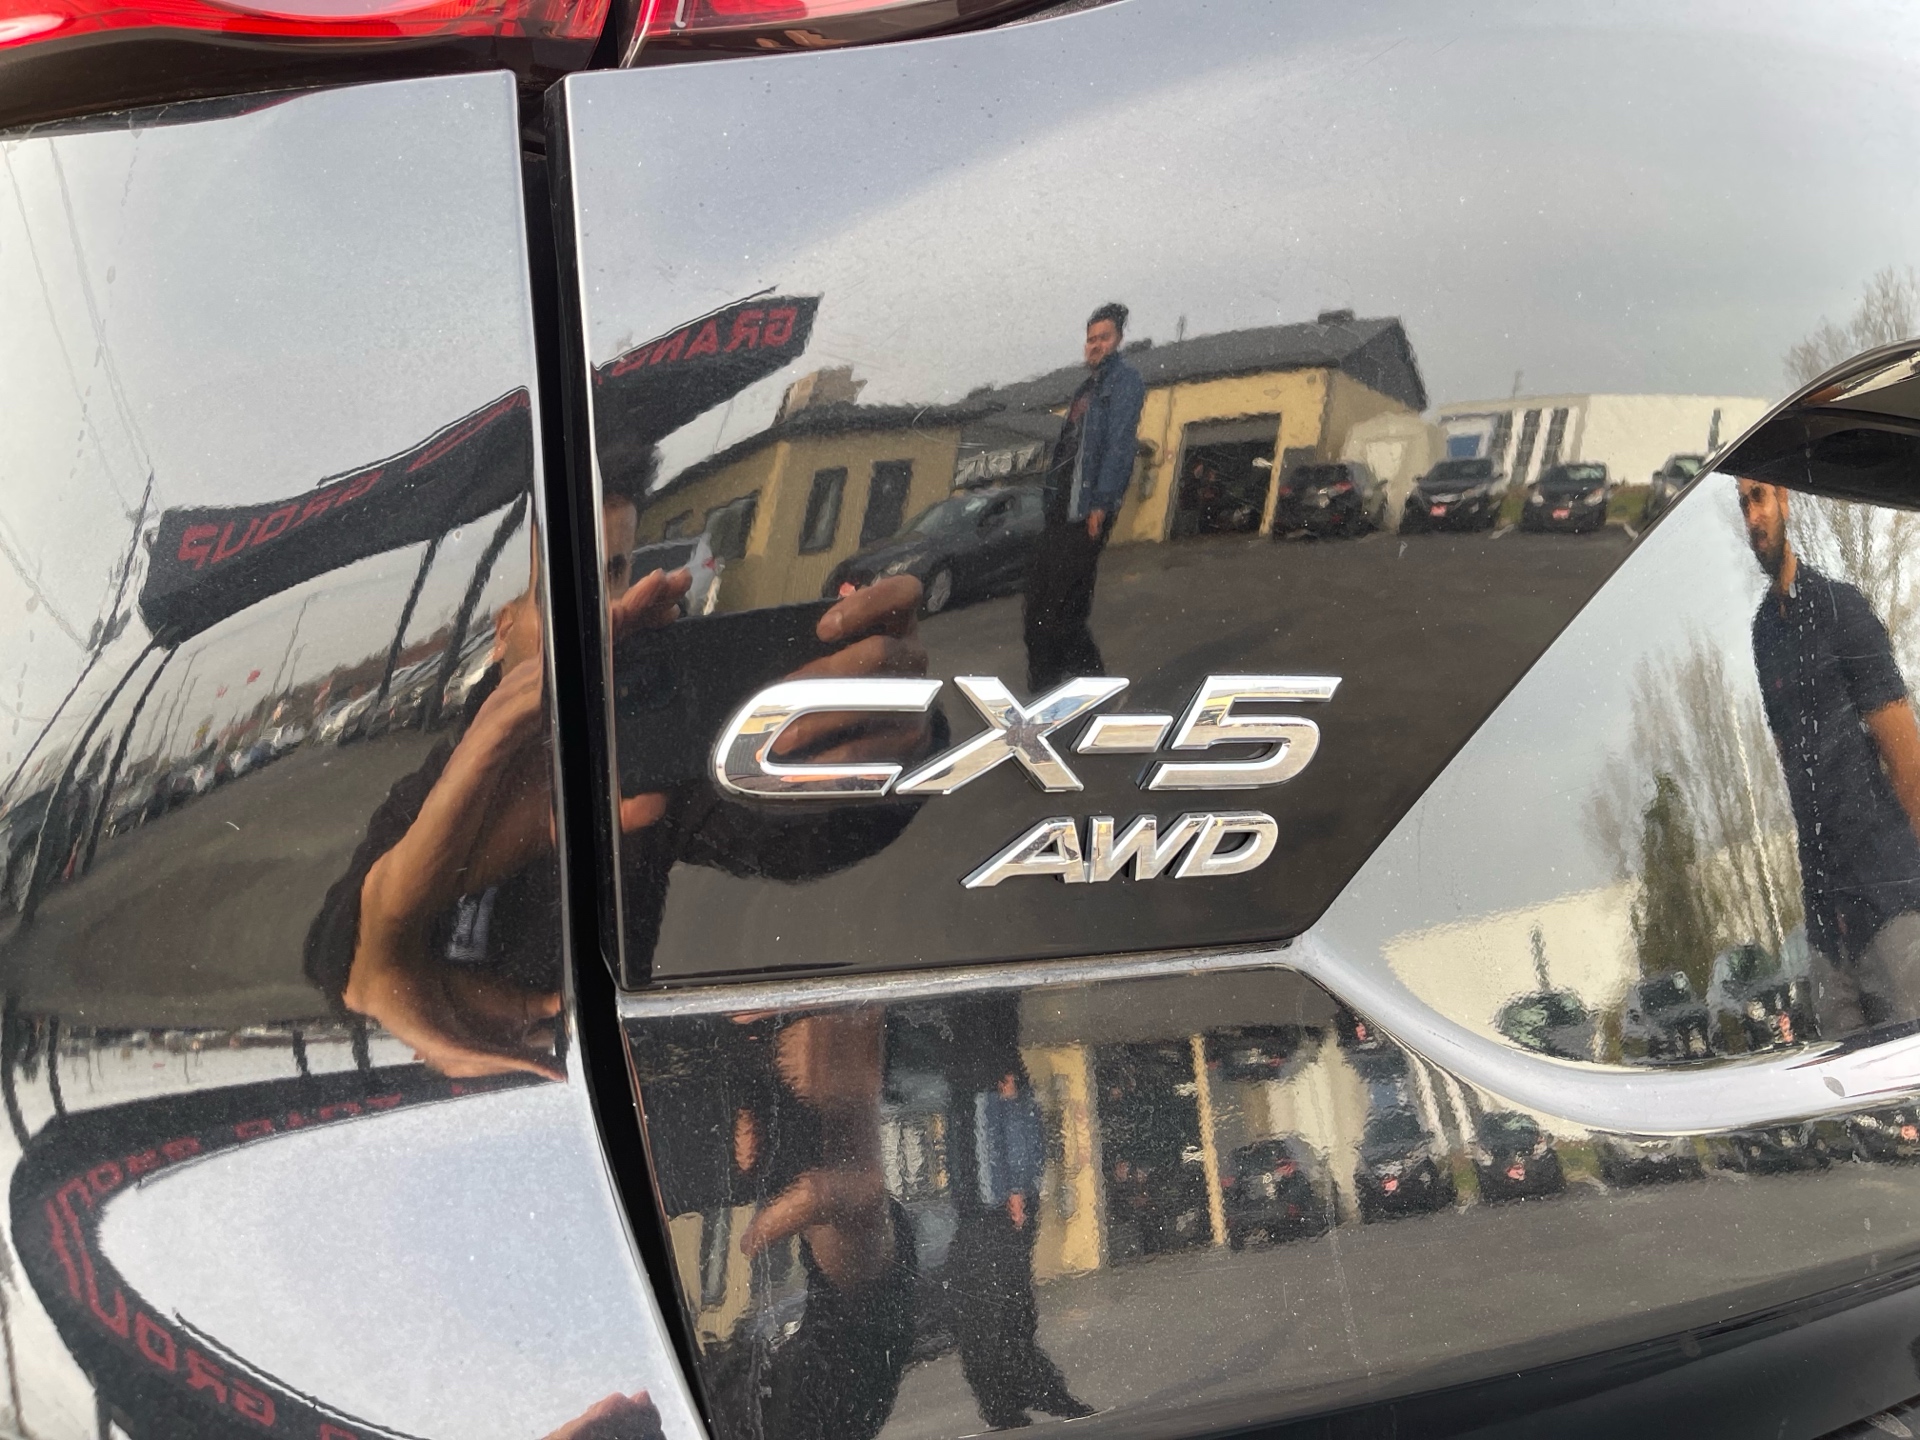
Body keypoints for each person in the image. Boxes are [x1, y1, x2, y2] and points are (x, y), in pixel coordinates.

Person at [1738, 478, 1920, 1034]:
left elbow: (1907, 761)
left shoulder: (1843, 609)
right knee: (1846, 1083)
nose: (1752, 517)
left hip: (1891, 897)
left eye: (1759, 497)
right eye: (1743, 504)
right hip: (1826, 921)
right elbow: (1792, 769)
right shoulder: (1764, 635)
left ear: (1785, 499)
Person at [1022, 303, 1146, 694]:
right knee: (1038, 605)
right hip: (1060, 507)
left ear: (1118, 340)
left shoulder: (1123, 382)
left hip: (1085, 508)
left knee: (1063, 610)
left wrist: (1101, 504)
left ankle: (1093, 691)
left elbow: (1119, 446)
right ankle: (1046, 690)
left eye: (1103, 338)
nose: (1095, 345)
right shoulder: (1084, 390)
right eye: (1091, 339)